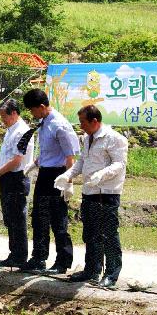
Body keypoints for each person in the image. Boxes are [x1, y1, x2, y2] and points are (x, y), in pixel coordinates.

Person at [53, 105, 129, 287]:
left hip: (106, 192)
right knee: (90, 233)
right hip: (89, 191)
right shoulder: (88, 139)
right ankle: (92, 269)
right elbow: (81, 162)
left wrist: (102, 174)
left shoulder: (114, 138)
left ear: (94, 121)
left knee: (108, 234)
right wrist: (68, 175)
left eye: (83, 122)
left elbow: (119, 164)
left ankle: (111, 273)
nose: (81, 126)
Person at [21, 88, 80, 274]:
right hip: (45, 174)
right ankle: (39, 257)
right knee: (39, 218)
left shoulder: (59, 125)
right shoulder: (44, 122)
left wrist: (68, 181)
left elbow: (70, 157)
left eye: (32, 110)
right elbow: (48, 151)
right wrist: (33, 164)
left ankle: (63, 261)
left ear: (41, 106)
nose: (32, 113)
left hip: (59, 174)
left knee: (58, 219)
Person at [0, 99, 34, 268]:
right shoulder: (11, 130)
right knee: (9, 217)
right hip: (6, 177)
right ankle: (14, 253)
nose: (2, 120)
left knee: (17, 218)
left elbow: (17, 160)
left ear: (14, 113)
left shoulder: (23, 132)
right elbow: (3, 155)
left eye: (4, 116)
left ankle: (19, 256)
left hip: (17, 178)